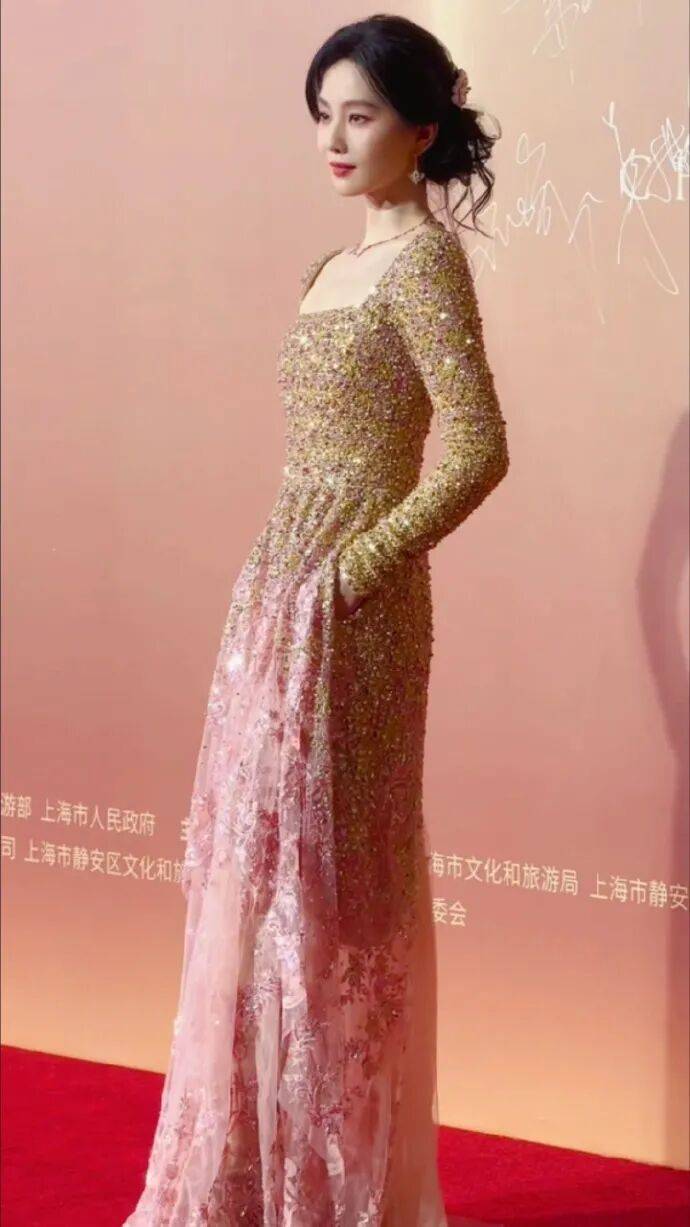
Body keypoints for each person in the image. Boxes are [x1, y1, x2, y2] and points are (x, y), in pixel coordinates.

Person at [123, 13, 508, 1226]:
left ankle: (336, 1194)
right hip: (274, 599)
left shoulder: (425, 264)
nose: (335, 139)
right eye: (323, 115)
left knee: (331, 893)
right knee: (254, 884)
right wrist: (291, 584)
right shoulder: (325, 270)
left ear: (421, 130)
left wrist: (362, 565)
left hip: (355, 607)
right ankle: (247, 1181)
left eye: (361, 115)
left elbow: (479, 448)